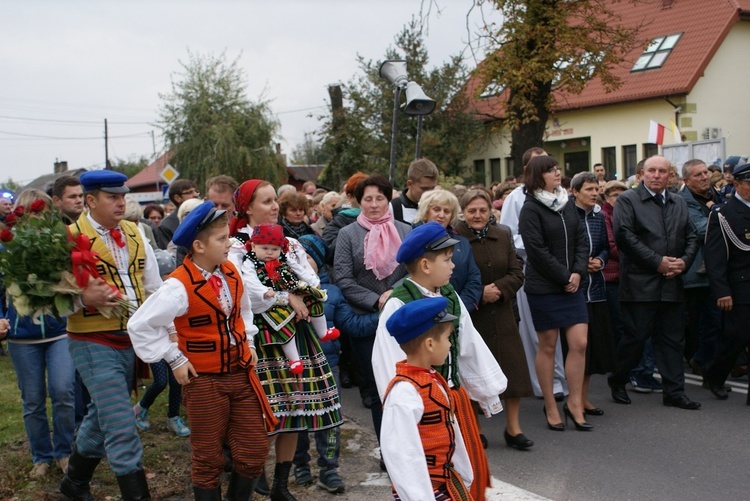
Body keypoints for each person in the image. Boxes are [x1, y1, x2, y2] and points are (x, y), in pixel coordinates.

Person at [128, 201, 275, 499]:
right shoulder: (178, 286)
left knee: (254, 449)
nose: (229, 243)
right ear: (198, 246)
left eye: (227, 236)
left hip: (240, 373)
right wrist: (174, 357)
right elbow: (140, 325)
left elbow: (244, 311)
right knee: (208, 457)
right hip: (204, 379)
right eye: (221, 239)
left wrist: (248, 341)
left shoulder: (231, 272)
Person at [373, 222, 506, 501]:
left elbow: (467, 344)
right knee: (431, 473)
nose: (453, 266)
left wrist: (486, 392)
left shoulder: (450, 296)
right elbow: (389, 368)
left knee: (466, 473)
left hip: (452, 399)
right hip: (422, 407)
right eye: (447, 259)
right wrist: (412, 412)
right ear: (425, 265)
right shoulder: (398, 304)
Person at [229, 180, 342, 500]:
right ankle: (252, 476)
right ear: (247, 208)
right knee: (266, 413)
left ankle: (281, 484)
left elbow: (312, 277)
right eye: (266, 202)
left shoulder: (289, 242)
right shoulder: (237, 245)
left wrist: (301, 293)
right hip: (263, 334)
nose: (274, 206)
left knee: (295, 412)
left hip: (298, 331)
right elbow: (244, 292)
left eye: (274, 200)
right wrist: (285, 297)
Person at [60, 170, 161, 501]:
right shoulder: (68, 237)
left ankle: (74, 483)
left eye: (123, 196)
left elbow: (152, 286)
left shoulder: (135, 232)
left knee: (102, 416)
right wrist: (81, 298)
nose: (122, 202)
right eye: (112, 197)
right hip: (91, 339)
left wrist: (165, 328)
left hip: (131, 338)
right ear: (90, 200)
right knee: (120, 424)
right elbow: (49, 300)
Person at [609, 155, 701, 410]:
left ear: (670, 175)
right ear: (641, 174)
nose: (657, 175)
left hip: (671, 283)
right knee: (636, 339)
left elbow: (692, 236)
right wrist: (657, 262)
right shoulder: (628, 200)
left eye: (663, 171)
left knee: (672, 340)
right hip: (640, 284)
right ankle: (618, 379)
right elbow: (624, 237)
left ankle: (674, 392)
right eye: (652, 171)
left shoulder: (678, 202)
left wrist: (683, 262)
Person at [333, 174, 410, 441]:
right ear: (358, 201)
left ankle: (409, 444)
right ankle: (387, 447)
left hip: (402, 315)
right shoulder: (348, 234)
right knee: (380, 390)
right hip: (367, 320)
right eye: (368, 199)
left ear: (388, 200)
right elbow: (342, 277)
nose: (374, 204)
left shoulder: (404, 230)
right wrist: (375, 300)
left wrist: (393, 293)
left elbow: (412, 270)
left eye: (380, 198)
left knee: (407, 385)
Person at [455, 189, 533, 450]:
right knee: (473, 372)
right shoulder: (455, 237)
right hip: (473, 316)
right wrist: (479, 293)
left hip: (502, 312)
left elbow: (517, 272)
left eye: (483, 210)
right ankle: (475, 429)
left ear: (491, 211)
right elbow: (452, 278)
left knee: (512, 370)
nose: (478, 215)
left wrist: (498, 289)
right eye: (472, 210)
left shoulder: (503, 233)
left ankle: (513, 428)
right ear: (463, 212)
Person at [4, 189, 76, 478]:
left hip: (59, 331)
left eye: (43, 212)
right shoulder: (7, 248)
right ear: (20, 215)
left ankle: (64, 451)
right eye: (32, 212)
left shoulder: (58, 244)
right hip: (22, 335)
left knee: (63, 391)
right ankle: (41, 456)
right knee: (32, 399)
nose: (37, 217)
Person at [518, 155, 591, 431]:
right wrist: (564, 276)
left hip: (572, 282)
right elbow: (536, 251)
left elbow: (581, 240)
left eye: (558, 168)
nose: (557, 173)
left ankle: (574, 403)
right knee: (548, 346)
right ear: (538, 176)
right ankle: (550, 404)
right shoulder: (531, 208)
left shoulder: (567, 202)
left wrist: (578, 272)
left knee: (579, 343)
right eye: (550, 170)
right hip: (545, 286)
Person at [380, 296, 473, 501]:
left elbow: (450, 430)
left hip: (444, 484)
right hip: (424, 491)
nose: (450, 345)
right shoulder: (404, 393)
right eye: (448, 338)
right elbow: (402, 454)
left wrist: (464, 475)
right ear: (430, 344)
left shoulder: (432, 380)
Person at [499, 147, 569, 400]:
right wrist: (541, 249)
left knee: (559, 331)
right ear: (528, 169)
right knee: (538, 333)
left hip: (560, 271)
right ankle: (544, 384)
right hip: (533, 269)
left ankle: (560, 378)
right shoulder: (517, 198)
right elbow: (510, 236)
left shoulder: (561, 197)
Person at [244, 223, 339, 373]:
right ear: (253, 246)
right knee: (283, 322)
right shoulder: (250, 262)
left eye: (274, 249)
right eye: (264, 248)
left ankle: (323, 332)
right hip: (273, 299)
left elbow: (299, 269)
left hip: (294, 287)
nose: (269, 252)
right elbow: (250, 280)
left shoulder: (284, 258)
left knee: (314, 298)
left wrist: (313, 282)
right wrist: (263, 291)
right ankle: (294, 360)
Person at [293, 234, 346, 494]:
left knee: (329, 418)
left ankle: (329, 468)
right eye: (296, 256)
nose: (300, 261)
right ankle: (300, 462)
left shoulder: (332, 292)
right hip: (296, 365)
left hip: (328, 362)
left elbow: (348, 324)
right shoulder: (284, 290)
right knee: (299, 415)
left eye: (307, 257)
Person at [702, 162, 750, 403]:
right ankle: (716, 375)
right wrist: (721, 291)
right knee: (736, 337)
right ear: (738, 185)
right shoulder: (724, 213)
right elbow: (715, 257)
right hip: (739, 286)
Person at [570, 172, 616, 416]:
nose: (594, 193)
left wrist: (599, 259)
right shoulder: (567, 215)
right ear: (575, 191)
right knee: (575, 349)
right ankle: (572, 399)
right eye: (589, 189)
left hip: (596, 289)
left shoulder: (598, 216)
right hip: (574, 289)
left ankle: (583, 397)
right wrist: (580, 264)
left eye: (596, 189)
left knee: (592, 350)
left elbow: (605, 247)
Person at [677, 160, 722, 380]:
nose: (705, 177)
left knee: (714, 322)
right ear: (686, 180)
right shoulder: (683, 201)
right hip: (695, 272)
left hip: (716, 270)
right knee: (695, 323)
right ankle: (698, 361)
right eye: (698, 175)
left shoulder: (715, 195)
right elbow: (703, 229)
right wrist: (722, 216)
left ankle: (705, 363)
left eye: (706, 172)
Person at [414, 189, 482, 311]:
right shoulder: (411, 238)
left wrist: (458, 308)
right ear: (426, 211)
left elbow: (473, 279)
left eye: (447, 211)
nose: (441, 215)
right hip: (420, 311)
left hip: (459, 311)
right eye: (436, 209)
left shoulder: (462, 243)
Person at [390, 158, 439, 225]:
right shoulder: (392, 208)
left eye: (432, 188)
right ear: (409, 184)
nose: (429, 193)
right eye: (424, 189)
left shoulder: (438, 209)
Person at [155, 179, 201, 249]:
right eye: (190, 192)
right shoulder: (166, 226)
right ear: (177, 198)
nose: (196, 195)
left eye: (196, 191)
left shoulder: (204, 216)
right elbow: (169, 256)